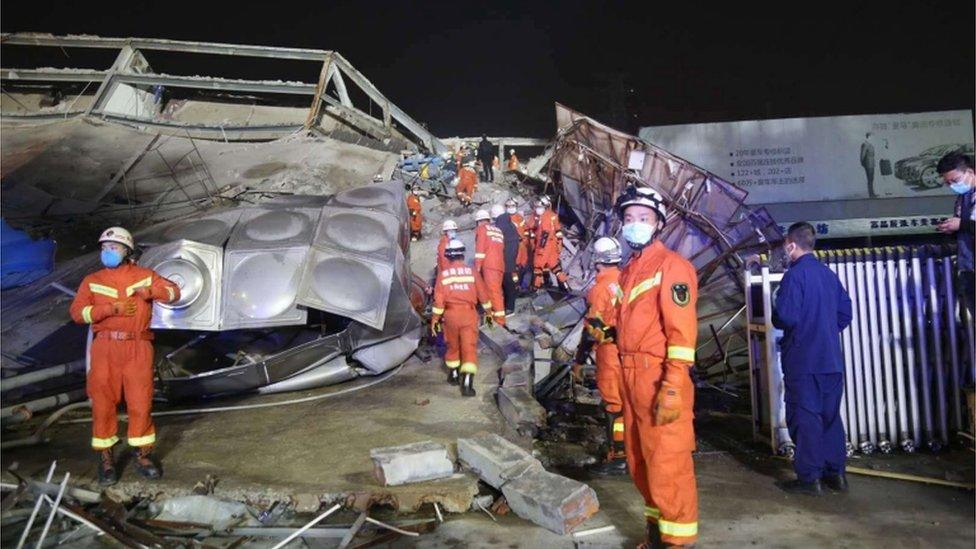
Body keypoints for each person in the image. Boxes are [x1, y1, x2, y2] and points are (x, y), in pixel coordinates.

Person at [614, 186, 699, 547]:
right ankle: (655, 534)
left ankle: (676, 542)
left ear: (659, 224)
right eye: (629, 219)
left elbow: (681, 335)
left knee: (667, 464)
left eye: (644, 219)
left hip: (658, 377)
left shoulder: (672, 267)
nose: (635, 225)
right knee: (640, 461)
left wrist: (674, 384)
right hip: (629, 376)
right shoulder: (630, 269)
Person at [69, 227, 181, 486]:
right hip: (105, 348)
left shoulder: (144, 276)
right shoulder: (92, 280)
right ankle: (106, 458)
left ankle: (142, 455)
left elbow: (175, 292)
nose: (107, 252)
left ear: (127, 251)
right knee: (103, 402)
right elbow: (77, 313)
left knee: (140, 402)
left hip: (138, 347)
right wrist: (109, 309)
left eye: (114, 248)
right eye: (104, 248)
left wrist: (152, 292)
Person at [773, 222, 853, 497]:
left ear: (791, 244)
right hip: (831, 360)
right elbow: (845, 314)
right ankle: (836, 474)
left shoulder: (794, 277)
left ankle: (810, 479)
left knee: (805, 418)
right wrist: (825, 330)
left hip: (803, 360)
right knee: (830, 417)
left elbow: (786, 316)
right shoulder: (828, 275)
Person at [575, 237, 627, 476]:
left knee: (613, 404)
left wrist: (579, 359)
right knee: (628, 401)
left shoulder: (599, 290)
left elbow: (593, 328)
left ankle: (619, 455)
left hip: (610, 352)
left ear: (597, 261)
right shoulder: (625, 279)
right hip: (629, 351)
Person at [431, 239, 487, 397]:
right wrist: (489, 313)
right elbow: (483, 294)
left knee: (453, 345)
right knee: (469, 348)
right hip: (469, 314)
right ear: (462, 254)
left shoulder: (443, 275)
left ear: (448, 256)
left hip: (450, 316)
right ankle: (467, 383)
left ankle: (454, 375)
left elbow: (438, 301)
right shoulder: (472, 271)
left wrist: (435, 319)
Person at [936, 152, 975, 316]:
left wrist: (961, 224)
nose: (952, 185)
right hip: (968, 265)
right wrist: (951, 228)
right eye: (948, 182)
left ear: (970, 172)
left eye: (955, 180)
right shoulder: (962, 197)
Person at [474, 208, 506, 326]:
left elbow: (480, 250)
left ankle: (500, 322)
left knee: (493, 293)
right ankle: (491, 319)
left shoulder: (482, 230)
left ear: (478, 221)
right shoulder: (497, 230)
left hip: (489, 265)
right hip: (499, 265)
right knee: (494, 291)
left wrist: (477, 267)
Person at [532, 196, 569, 291]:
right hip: (551, 245)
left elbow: (545, 234)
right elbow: (557, 231)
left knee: (538, 266)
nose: (537, 209)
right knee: (554, 266)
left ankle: (535, 288)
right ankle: (565, 286)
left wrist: (540, 248)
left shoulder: (546, 218)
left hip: (545, 245)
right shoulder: (546, 216)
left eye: (540, 207)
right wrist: (559, 242)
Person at [493, 203, 521, 315]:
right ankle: (509, 306)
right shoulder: (510, 224)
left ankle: (509, 308)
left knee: (508, 284)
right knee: (510, 283)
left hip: (506, 260)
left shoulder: (501, 225)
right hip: (511, 258)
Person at [860, 132, 877, 198]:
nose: (872, 138)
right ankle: (871, 194)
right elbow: (862, 156)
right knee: (870, 179)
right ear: (868, 137)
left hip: (872, 163)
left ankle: (872, 193)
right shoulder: (865, 144)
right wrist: (863, 164)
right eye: (871, 137)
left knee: (871, 179)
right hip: (868, 164)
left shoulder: (870, 145)